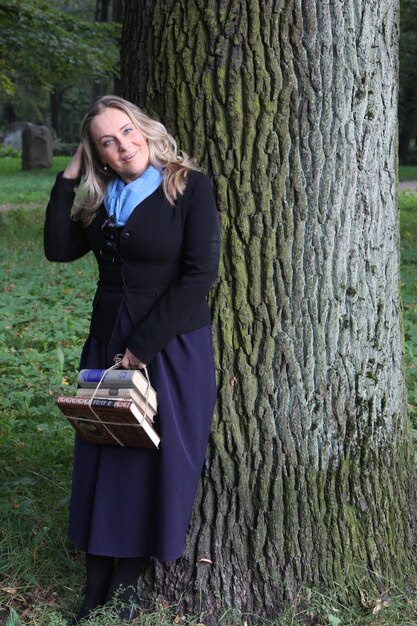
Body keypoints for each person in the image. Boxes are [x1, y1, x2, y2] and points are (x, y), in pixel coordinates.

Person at [44, 95, 220, 623]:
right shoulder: (103, 199)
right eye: (106, 142)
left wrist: (140, 348)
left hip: (166, 346)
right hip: (106, 343)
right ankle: (95, 582)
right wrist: (68, 177)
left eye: (126, 131)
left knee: (148, 460)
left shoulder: (188, 187)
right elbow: (57, 248)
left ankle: (126, 587)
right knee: (104, 454)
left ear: (143, 128)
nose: (123, 146)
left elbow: (199, 276)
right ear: (96, 153)